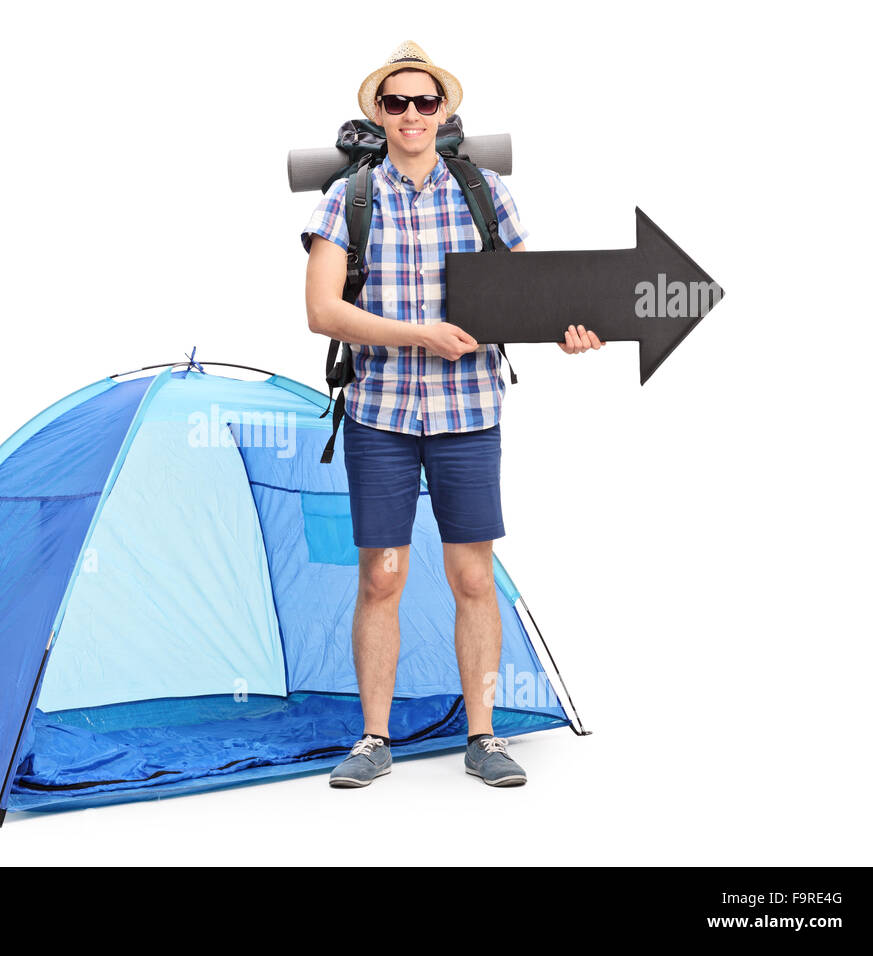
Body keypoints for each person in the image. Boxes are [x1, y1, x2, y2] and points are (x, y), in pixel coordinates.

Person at [301, 41, 604, 789]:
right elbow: (321, 311)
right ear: (378, 112)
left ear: (445, 110)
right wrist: (418, 335)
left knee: (473, 575)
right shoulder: (349, 199)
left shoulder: (485, 191)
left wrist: (570, 330)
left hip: (469, 412)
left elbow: (529, 290)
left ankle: (484, 735)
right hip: (380, 415)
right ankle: (374, 740)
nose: (412, 114)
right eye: (397, 102)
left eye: (425, 101)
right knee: (381, 577)